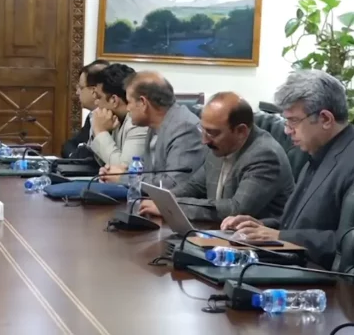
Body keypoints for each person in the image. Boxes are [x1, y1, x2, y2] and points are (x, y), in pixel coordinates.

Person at [222, 70, 354, 269]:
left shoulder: (349, 161)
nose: (286, 130)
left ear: (326, 119)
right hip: (290, 265)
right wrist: (261, 227)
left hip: (321, 280)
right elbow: (301, 226)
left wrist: (281, 236)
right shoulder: (316, 154)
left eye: (293, 121)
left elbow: (345, 245)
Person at [139, 92, 294, 222]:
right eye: (203, 130)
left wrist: (171, 207)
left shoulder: (264, 155)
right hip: (219, 233)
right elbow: (194, 186)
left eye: (212, 133)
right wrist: (163, 199)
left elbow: (235, 209)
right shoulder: (221, 145)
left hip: (259, 243)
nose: (204, 140)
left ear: (241, 131)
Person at [100, 71, 204, 189]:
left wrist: (124, 178)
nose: (128, 108)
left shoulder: (184, 129)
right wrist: (119, 172)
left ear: (143, 103)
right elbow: (148, 173)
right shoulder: (154, 126)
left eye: (129, 102)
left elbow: (173, 184)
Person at [87, 63, 148, 166]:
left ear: (114, 100)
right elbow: (101, 162)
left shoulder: (139, 123)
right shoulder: (113, 118)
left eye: (99, 97)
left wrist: (100, 132)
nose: (96, 103)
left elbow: (124, 169)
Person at [61, 59, 109, 158]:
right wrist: (74, 156)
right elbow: (69, 144)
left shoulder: (110, 118)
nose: (77, 92)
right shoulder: (92, 115)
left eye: (81, 87)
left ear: (94, 90)